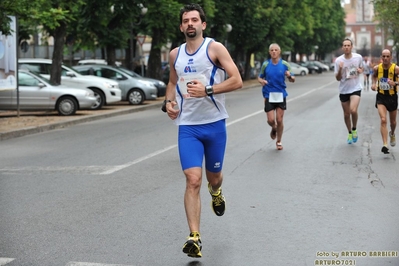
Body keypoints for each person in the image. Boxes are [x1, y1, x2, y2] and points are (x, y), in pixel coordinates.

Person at [162, 3, 242, 258]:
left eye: (194, 20)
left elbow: (237, 80)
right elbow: (172, 83)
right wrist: (168, 103)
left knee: (212, 178)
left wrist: (208, 89)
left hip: (215, 124)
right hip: (188, 127)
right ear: (181, 26)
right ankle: (194, 237)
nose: (190, 24)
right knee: (192, 179)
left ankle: (216, 192)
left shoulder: (214, 48)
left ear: (203, 25)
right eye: (186, 20)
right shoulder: (175, 55)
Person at [257, 43, 295, 150]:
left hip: (280, 94)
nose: (274, 52)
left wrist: (289, 76)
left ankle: (279, 141)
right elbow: (259, 78)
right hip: (268, 94)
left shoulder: (285, 64)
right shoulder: (265, 64)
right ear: (269, 52)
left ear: (279, 52)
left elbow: (293, 79)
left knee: (279, 119)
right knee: (270, 120)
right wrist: (262, 81)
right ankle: (273, 128)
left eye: (276, 50)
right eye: (272, 50)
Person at [334, 37, 364, 144]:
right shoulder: (338, 61)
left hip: (355, 88)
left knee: (353, 110)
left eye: (348, 45)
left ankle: (355, 128)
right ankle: (350, 132)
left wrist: (360, 70)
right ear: (342, 47)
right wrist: (341, 69)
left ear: (352, 47)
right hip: (343, 89)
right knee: (346, 114)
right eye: (345, 46)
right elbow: (337, 78)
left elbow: (362, 68)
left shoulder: (358, 57)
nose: (346, 47)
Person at [371, 49, 399, 154]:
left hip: (392, 97)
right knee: (383, 120)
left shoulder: (396, 69)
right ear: (381, 57)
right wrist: (373, 84)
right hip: (381, 96)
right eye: (384, 56)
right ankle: (385, 144)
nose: (385, 58)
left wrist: (395, 83)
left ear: (391, 57)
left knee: (393, 122)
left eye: (387, 56)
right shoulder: (377, 68)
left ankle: (392, 134)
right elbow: (374, 77)